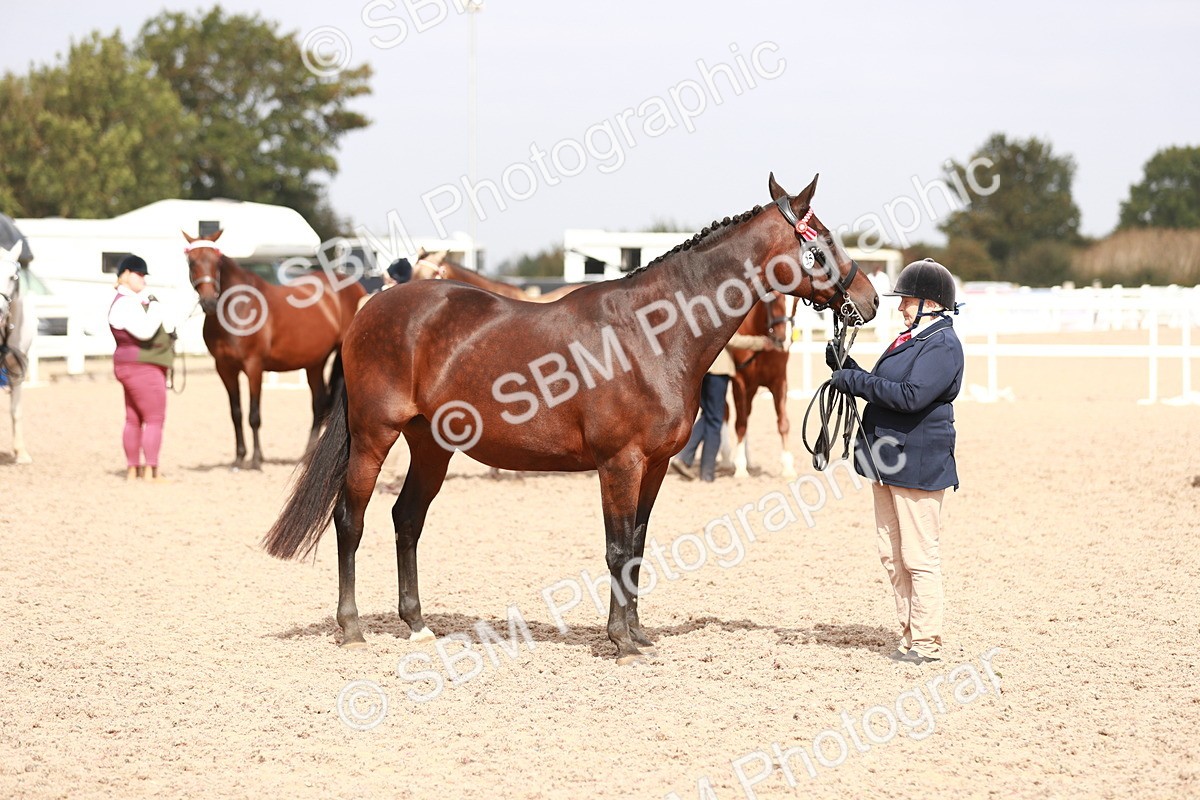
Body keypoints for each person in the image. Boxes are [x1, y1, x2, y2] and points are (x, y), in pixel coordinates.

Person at [828, 258, 964, 665]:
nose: (901, 307)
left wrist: (855, 381)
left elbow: (909, 396)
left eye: (907, 300)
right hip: (888, 461)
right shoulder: (911, 339)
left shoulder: (942, 345)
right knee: (891, 554)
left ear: (930, 303)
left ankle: (926, 641)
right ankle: (908, 633)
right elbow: (884, 384)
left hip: (918, 463)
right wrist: (845, 367)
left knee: (920, 555)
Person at [670, 333, 777, 482]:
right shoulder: (719, 313)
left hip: (700, 369)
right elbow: (731, 338)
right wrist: (760, 342)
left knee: (708, 414)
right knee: (715, 420)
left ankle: (684, 458)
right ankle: (706, 472)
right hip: (717, 371)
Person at [108, 254, 173, 482]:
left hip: (127, 366)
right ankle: (151, 470)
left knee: (133, 419)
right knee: (155, 419)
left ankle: (133, 468)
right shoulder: (127, 303)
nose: (143, 279)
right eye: (139, 274)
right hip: (142, 367)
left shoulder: (124, 301)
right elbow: (144, 331)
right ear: (125, 274)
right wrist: (155, 306)